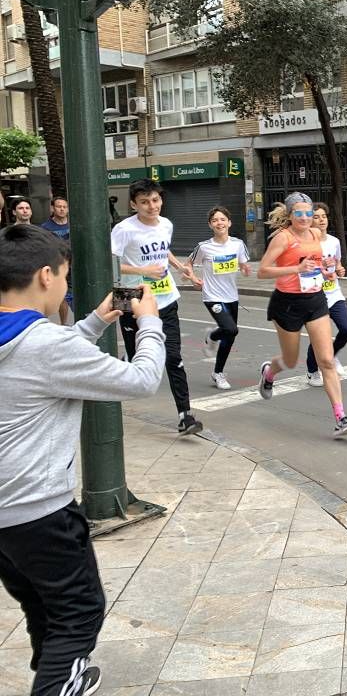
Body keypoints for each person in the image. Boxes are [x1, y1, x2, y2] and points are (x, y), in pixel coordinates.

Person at [0, 224, 165, 696]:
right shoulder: (47, 344)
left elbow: (44, 368)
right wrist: (148, 320)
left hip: (5, 519)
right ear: (46, 275)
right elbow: (140, 381)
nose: (66, 286)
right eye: (66, 277)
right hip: (39, 511)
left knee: (43, 607)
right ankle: (58, 683)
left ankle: (56, 672)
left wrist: (94, 322)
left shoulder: (25, 338)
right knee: (79, 613)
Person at [257, 192, 347, 438]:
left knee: (326, 360)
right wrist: (296, 268)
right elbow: (262, 271)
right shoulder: (283, 238)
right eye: (299, 213)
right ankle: (269, 372)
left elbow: (316, 264)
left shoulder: (314, 234)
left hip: (315, 299)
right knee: (290, 361)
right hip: (288, 304)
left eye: (308, 213)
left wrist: (326, 272)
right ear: (290, 215)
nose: (305, 217)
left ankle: (341, 418)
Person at [110, 179, 203, 435]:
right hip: (130, 296)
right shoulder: (123, 230)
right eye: (144, 202)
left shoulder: (167, 224)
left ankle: (186, 415)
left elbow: (163, 252)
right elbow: (109, 264)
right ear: (133, 204)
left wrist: (181, 267)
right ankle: (122, 368)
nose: (152, 206)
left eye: (155, 200)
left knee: (173, 357)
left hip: (165, 296)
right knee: (135, 359)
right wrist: (143, 270)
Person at [187, 206, 251, 390]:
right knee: (231, 329)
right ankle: (213, 336)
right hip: (212, 296)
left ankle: (218, 373)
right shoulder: (204, 247)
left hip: (231, 296)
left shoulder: (238, 244)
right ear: (210, 225)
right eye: (215, 220)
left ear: (229, 223)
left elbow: (242, 262)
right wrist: (193, 278)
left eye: (222, 219)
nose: (219, 223)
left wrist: (245, 268)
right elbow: (188, 264)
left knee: (230, 336)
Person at [304, 202, 347, 387]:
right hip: (316, 296)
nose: (321, 220)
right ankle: (312, 371)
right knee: (319, 337)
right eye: (316, 217)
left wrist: (339, 269)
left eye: (323, 216)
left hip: (334, 293)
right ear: (310, 221)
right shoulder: (306, 244)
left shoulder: (334, 241)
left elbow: (337, 263)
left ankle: (330, 356)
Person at [40, 196, 72, 325]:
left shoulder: (73, 224)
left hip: (74, 265)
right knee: (61, 296)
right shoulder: (45, 227)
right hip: (57, 265)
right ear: (52, 208)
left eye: (64, 207)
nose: (62, 209)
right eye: (59, 207)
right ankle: (64, 323)